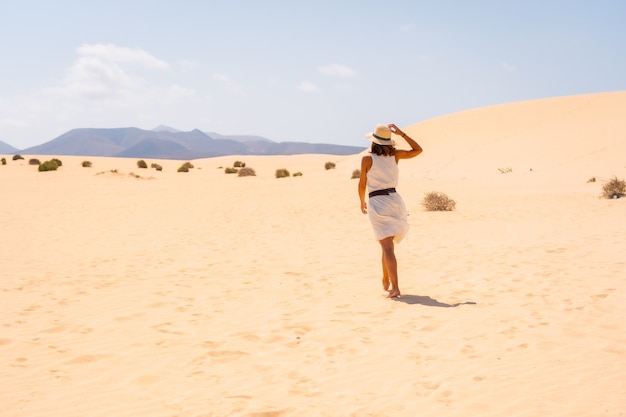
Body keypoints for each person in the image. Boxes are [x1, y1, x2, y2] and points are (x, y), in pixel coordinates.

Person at [358, 123, 423, 298]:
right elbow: (418, 150)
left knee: (387, 246)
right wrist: (402, 134)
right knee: (386, 244)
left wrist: (361, 201)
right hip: (395, 201)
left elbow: (362, 183)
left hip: (378, 201)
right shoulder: (395, 156)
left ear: (374, 141)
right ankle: (386, 277)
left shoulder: (367, 159)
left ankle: (395, 287)